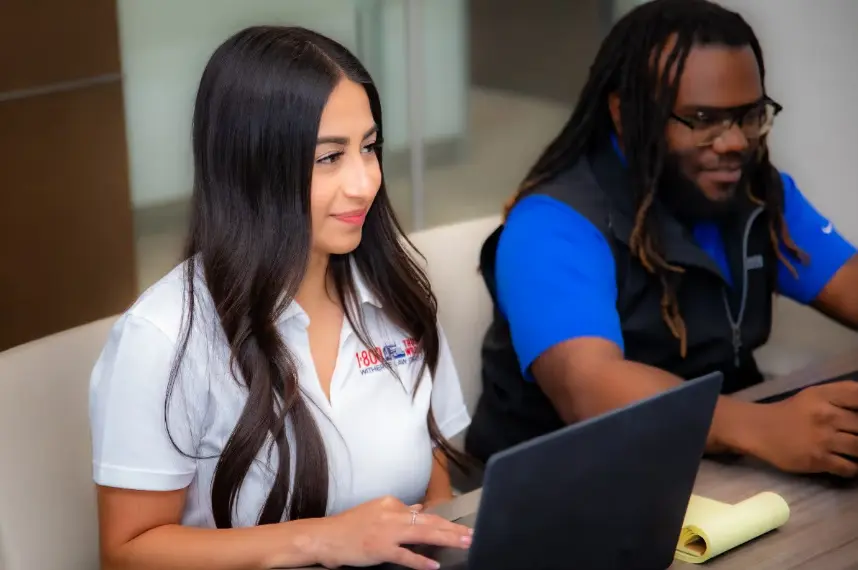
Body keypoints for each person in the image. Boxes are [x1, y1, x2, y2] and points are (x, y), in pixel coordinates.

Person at [89, 26, 473, 570]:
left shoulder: (395, 296)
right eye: (329, 158)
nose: (364, 183)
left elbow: (433, 484)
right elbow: (127, 552)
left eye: (368, 148)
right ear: (252, 168)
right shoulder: (164, 336)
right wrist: (321, 539)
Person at [466, 0, 858, 479]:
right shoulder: (552, 224)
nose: (734, 142)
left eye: (748, 115)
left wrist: (762, 428)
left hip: (714, 456)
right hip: (566, 483)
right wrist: (761, 427)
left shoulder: (756, 190)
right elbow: (588, 388)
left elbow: (849, 283)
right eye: (702, 118)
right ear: (625, 115)